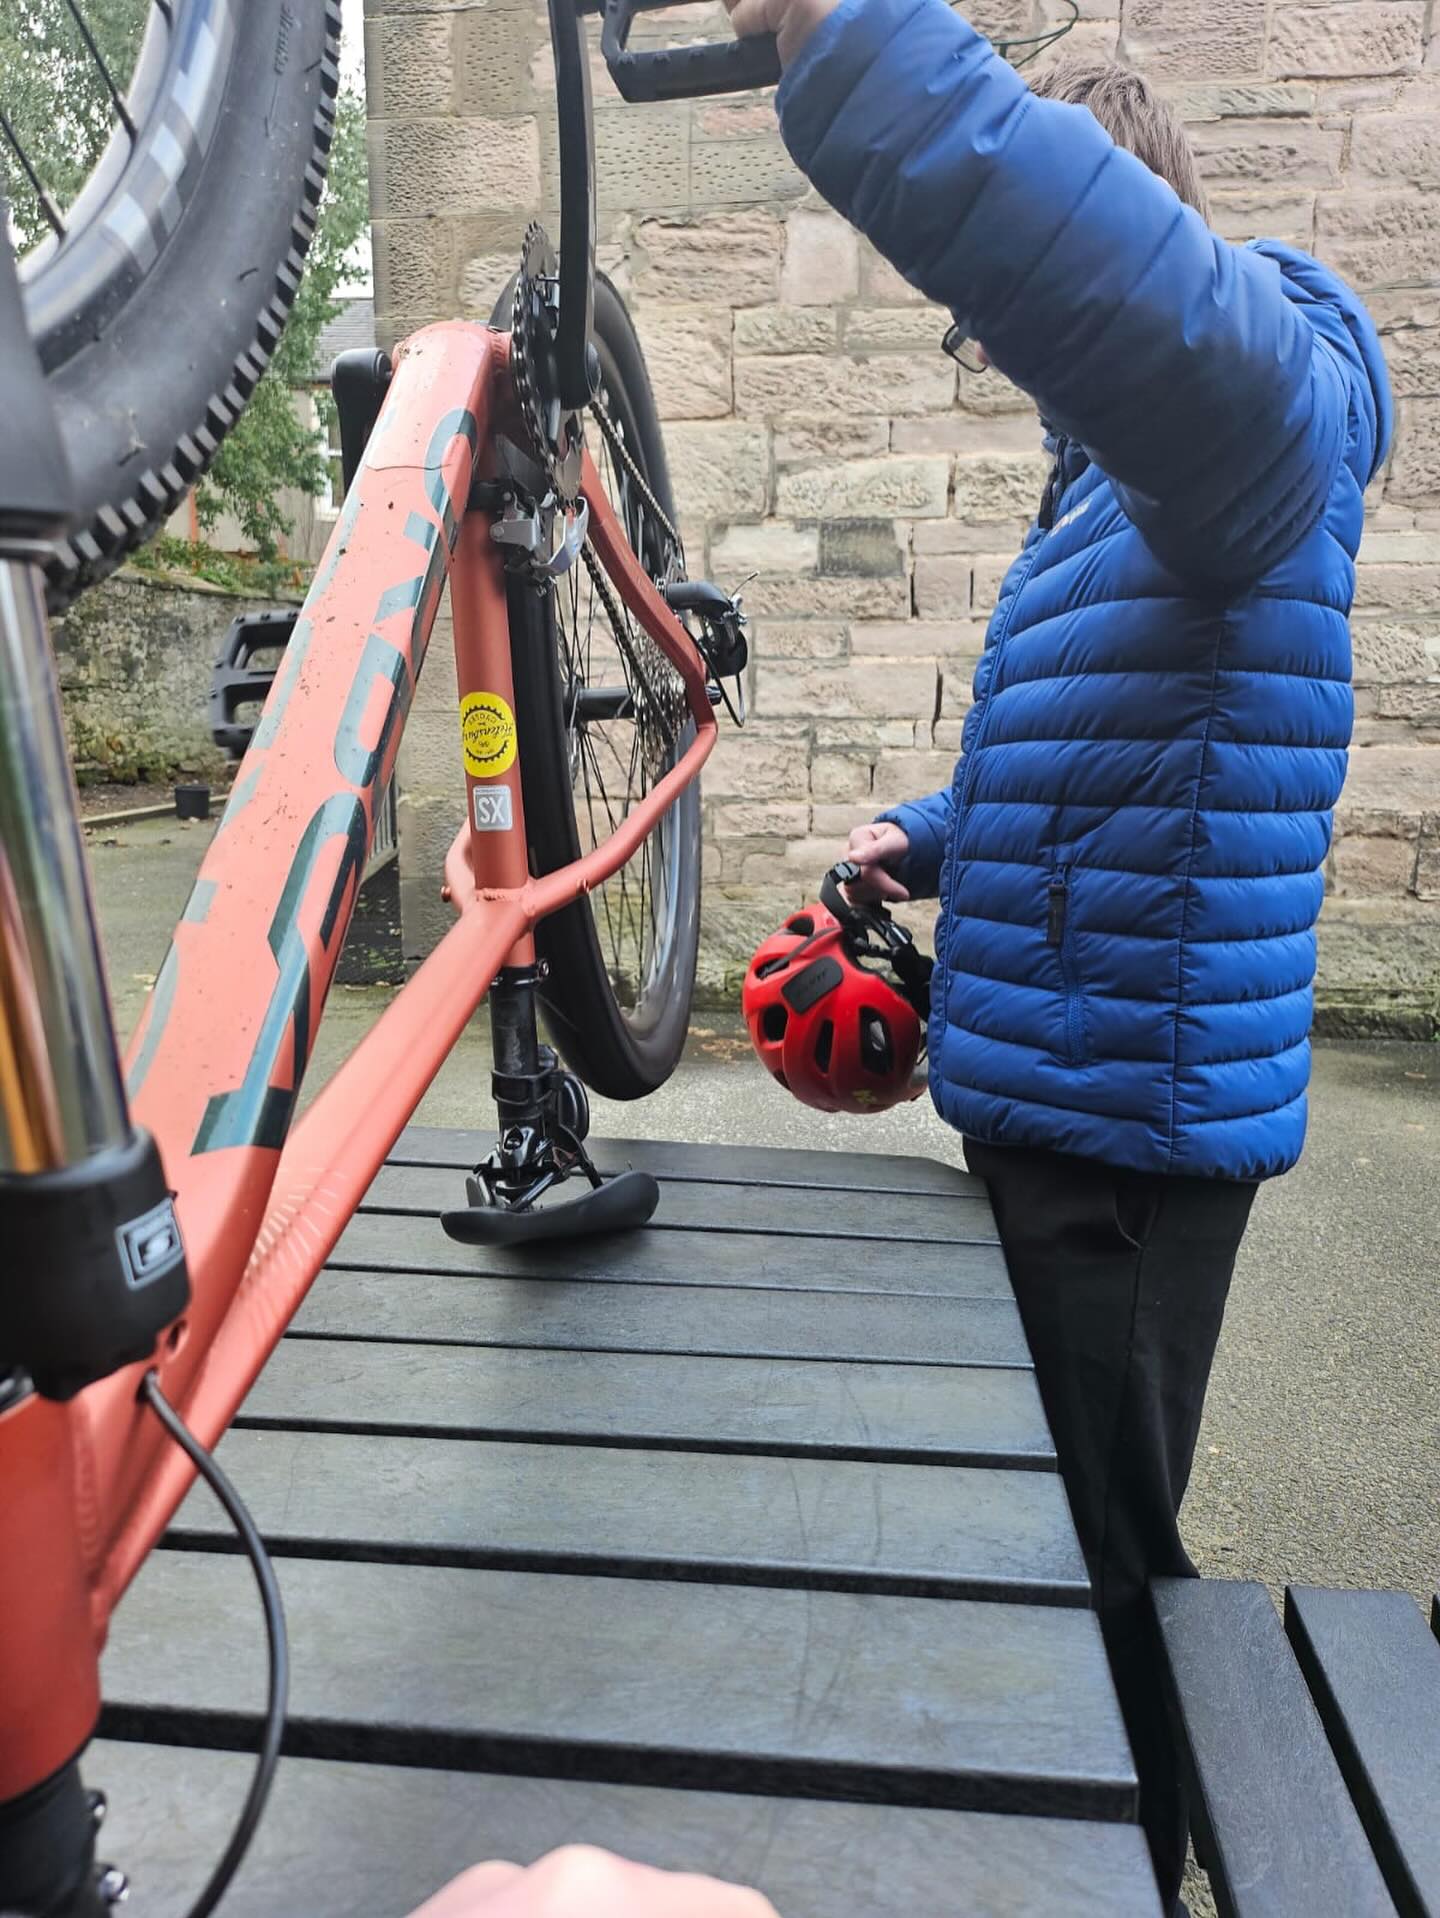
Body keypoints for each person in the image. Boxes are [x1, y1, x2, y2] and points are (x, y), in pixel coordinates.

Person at [718, 0, 1393, 1910]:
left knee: (1105, 1570)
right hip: (1059, 1110)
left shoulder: (1260, 419)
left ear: (1120, 253)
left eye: (1021, 317)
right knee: (1044, 1542)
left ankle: (1118, 1864)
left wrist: (850, 43)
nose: (1006, 358)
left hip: (1125, 1149)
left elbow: (1117, 293)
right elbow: (1120, 751)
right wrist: (921, 840)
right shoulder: (1125, 481)